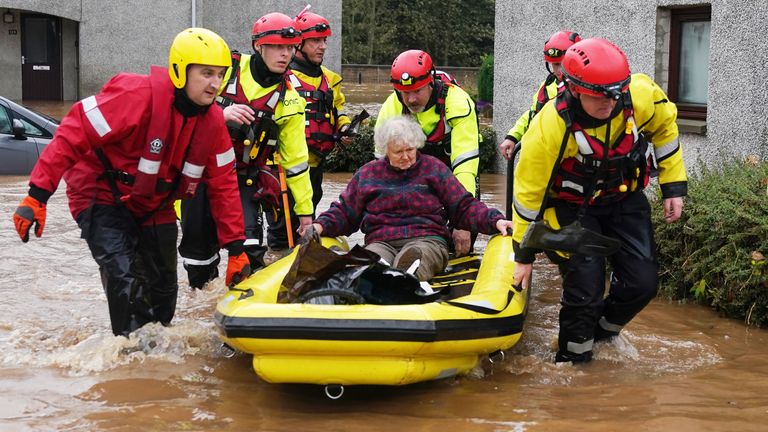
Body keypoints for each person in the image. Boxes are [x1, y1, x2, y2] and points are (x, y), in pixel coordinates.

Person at [12, 28, 249, 337]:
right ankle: (128, 355)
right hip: (100, 194)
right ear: (180, 70)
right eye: (206, 74)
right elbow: (73, 132)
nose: (215, 84)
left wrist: (235, 248)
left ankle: (156, 359)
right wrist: (37, 196)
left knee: (165, 291)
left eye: (220, 75)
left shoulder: (213, 123)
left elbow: (224, 185)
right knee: (124, 278)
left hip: (154, 205)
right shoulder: (136, 96)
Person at [511, 38, 688, 363]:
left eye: (616, 93)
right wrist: (523, 254)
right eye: (601, 96)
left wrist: (673, 185)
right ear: (575, 89)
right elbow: (527, 195)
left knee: (642, 284)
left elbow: (665, 128)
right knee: (585, 291)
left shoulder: (639, 95)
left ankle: (603, 334)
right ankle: (572, 363)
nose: (611, 102)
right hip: (569, 209)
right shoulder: (550, 126)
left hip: (623, 200)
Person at [178, 12, 314, 288]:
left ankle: (242, 302)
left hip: (245, 179)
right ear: (258, 46)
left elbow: (296, 163)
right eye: (277, 46)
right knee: (198, 261)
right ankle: (202, 307)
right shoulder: (225, 69)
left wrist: (305, 214)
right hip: (200, 176)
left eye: (289, 48)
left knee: (249, 250)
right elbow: (183, 109)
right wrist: (221, 112)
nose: (285, 54)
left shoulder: (291, 99)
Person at [302, 115, 513, 282]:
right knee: (373, 260)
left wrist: (495, 220)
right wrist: (319, 226)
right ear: (385, 151)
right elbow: (345, 212)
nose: (406, 156)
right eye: (398, 152)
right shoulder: (367, 175)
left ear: (417, 145)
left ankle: (403, 278)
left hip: (427, 240)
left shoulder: (434, 168)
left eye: (410, 150)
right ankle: (374, 278)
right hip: (382, 241)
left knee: (414, 257)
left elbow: (464, 206)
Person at [376, 49, 481, 257]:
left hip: (453, 173)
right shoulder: (391, 107)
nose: (412, 99)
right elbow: (380, 171)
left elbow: (465, 168)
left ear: (431, 83)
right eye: (406, 93)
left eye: (417, 91)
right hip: (415, 174)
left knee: (462, 237)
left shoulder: (458, 103)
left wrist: (463, 222)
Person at [270, 7, 351, 250]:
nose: (322, 46)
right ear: (299, 43)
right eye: (315, 40)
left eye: (324, 40)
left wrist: (345, 127)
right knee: (282, 228)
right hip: (283, 168)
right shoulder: (281, 76)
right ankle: (276, 262)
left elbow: (339, 108)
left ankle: (300, 260)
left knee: (308, 219)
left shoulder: (329, 79)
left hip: (315, 164)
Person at [499, 30, 581, 160]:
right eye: (555, 65)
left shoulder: (583, 90)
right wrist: (512, 137)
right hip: (545, 155)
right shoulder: (547, 86)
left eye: (562, 64)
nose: (559, 70)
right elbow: (534, 113)